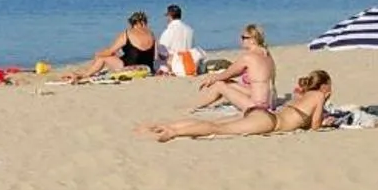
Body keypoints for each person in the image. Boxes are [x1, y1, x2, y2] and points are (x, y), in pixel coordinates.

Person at [140, 70, 333, 141]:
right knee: (218, 129)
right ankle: (173, 132)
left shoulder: (300, 96)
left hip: (264, 114)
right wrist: (326, 121)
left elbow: (301, 119)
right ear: (324, 86)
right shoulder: (317, 96)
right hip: (268, 122)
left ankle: (168, 126)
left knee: (218, 125)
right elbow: (314, 126)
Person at [191, 23, 276, 112]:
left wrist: (211, 78)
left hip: (257, 105)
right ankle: (198, 105)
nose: (241, 40)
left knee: (219, 85)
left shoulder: (248, 57)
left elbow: (227, 73)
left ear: (253, 40)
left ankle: (196, 106)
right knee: (228, 82)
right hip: (269, 101)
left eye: (243, 38)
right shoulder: (267, 54)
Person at [64, 13, 159, 80]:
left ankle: (84, 75)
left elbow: (110, 51)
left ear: (133, 23)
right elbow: (154, 55)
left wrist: (98, 54)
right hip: (148, 67)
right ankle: (89, 72)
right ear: (144, 22)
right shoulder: (151, 33)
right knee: (113, 56)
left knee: (102, 58)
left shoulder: (127, 33)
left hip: (130, 66)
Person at [155, 4, 197, 75]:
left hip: (174, 65)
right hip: (188, 63)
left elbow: (162, 53)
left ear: (169, 16)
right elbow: (192, 48)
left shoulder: (168, 31)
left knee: (158, 58)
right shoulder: (190, 30)